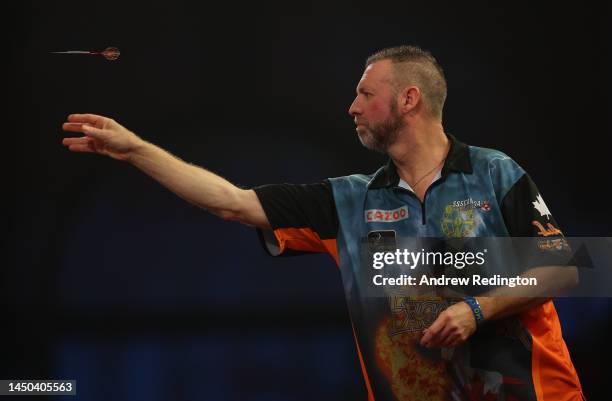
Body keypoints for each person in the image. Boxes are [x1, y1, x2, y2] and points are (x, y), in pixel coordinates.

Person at [62, 45, 584, 401]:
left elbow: (567, 265)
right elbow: (232, 202)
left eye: (364, 94)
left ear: (409, 99)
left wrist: (477, 309)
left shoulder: (495, 172)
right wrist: (135, 150)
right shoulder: (349, 201)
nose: (351, 107)